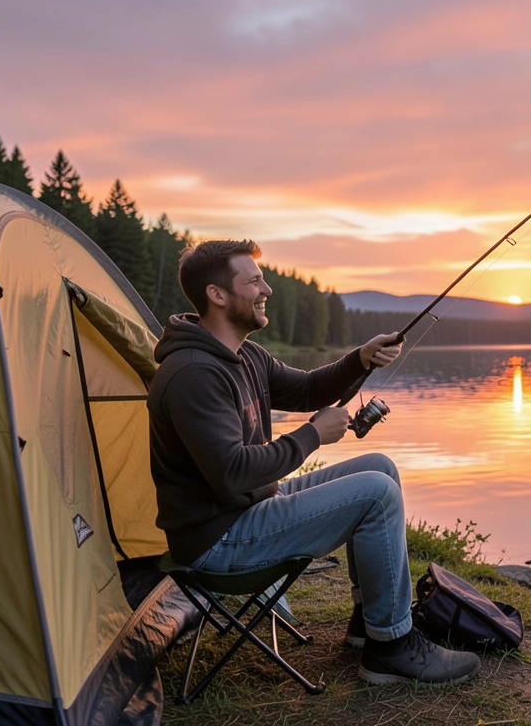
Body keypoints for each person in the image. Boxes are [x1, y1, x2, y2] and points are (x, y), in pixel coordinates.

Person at [147, 239, 480, 686]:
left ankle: (371, 626)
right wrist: (312, 436)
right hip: (218, 539)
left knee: (380, 468)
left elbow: (305, 390)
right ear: (218, 294)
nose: (267, 289)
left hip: (247, 508)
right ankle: (393, 649)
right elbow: (231, 472)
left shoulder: (243, 354)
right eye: (255, 281)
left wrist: (359, 358)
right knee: (376, 495)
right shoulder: (193, 373)